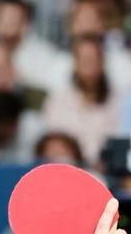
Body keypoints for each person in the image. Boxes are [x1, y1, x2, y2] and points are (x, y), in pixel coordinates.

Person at [43, 36, 120, 167]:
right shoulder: (57, 101)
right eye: (84, 60)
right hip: (68, 173)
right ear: (75, 64)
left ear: (102, 63)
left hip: (107, 174)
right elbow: (55, 146)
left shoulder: (118, 101)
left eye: (93, 60)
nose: (89, 66)